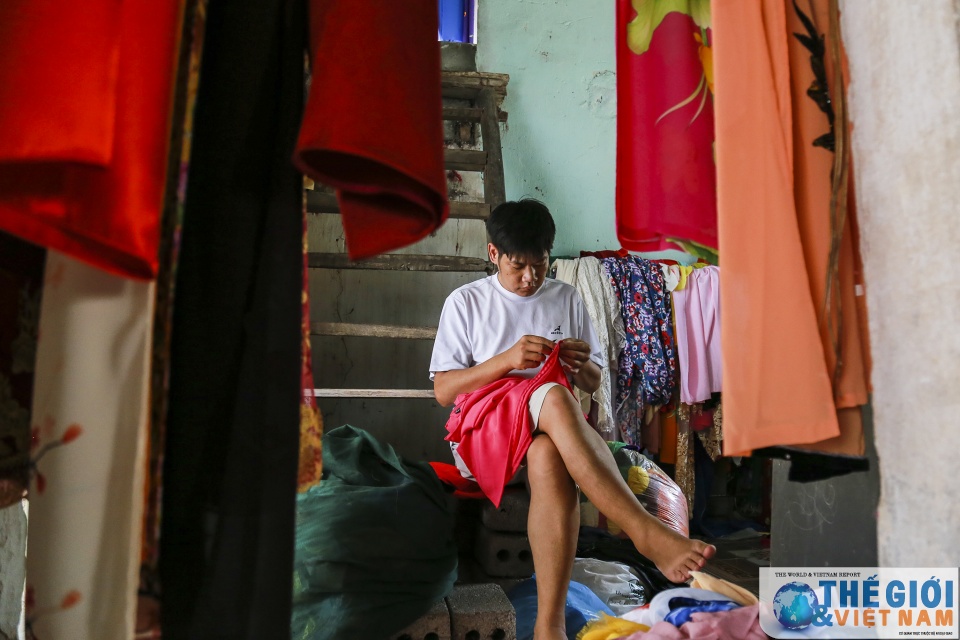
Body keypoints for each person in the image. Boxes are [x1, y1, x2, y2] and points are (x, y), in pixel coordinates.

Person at [429, 199, 715, 640]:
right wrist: (506, 361)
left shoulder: (565, 296)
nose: (529, 279)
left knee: (548, 456)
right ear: (493, 255)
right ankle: (645, 532)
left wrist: (580, 365)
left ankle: (550, 625)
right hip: (482, 433)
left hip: (548, 432)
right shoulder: (466, 301)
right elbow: (445, 391)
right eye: (517, 268)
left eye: (539, 266)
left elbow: (594, 376)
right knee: (558, 398)